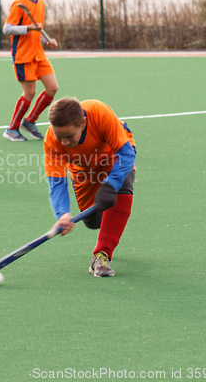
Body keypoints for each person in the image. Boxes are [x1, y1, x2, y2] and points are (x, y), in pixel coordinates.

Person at [44, 98, 136, 277]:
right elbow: (56, 180)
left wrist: (111, 184)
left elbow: (125, 154)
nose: (63, 142)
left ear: (83, 123)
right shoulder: (51, 140)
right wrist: (62, 213)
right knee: (93, 220)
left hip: (113, 156)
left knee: (121, 189)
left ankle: (102, 254)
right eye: (59, 136)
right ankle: (107, 224)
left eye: (69, 136)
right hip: (82, 169)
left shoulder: (99, 113)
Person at [2, 0, 59, 142]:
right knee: (30, 92)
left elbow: (37, 31)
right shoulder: (19, 3)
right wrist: (28, 28)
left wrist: (47, 41)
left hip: (39, 55)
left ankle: (30, 121)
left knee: (52, 87)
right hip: (23, 56)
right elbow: (7, 28)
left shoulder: (41, 3)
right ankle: (12, 129)